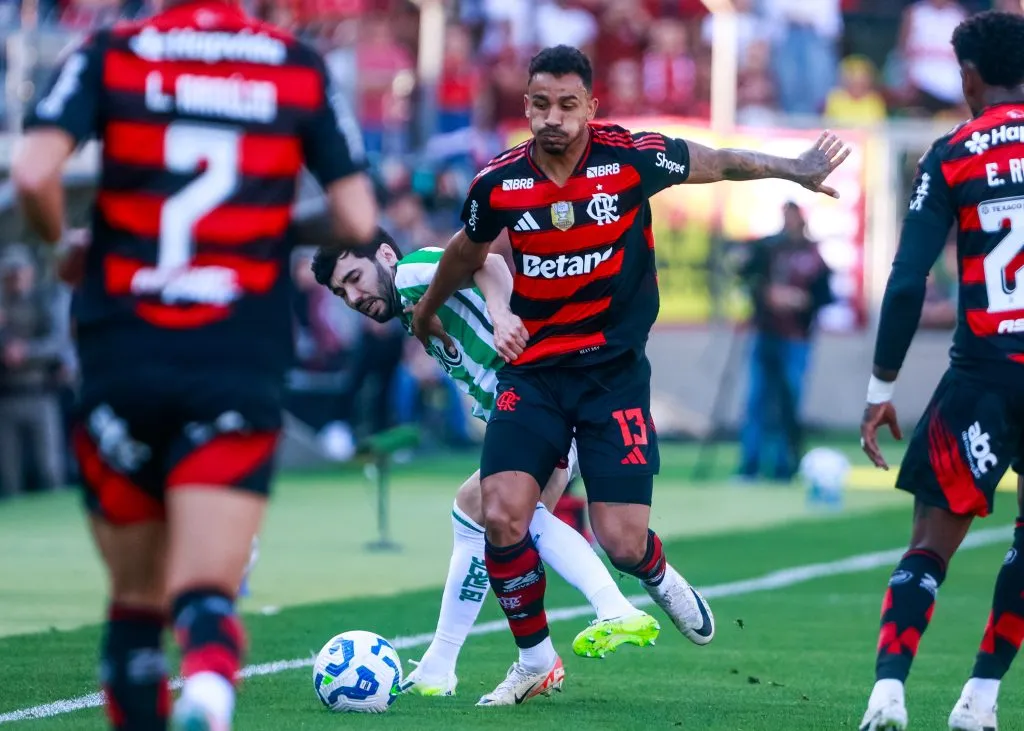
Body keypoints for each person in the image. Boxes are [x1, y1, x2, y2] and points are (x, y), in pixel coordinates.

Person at [409, 44, 850, 707]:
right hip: (532, 374)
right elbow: (466, 251)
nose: (551, 118)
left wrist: (795, 169)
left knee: (618, 537)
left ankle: (657, 573)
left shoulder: (630, 158)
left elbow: (720, 162)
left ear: (590, 106)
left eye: (565, 104)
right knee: (500, 511)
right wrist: (424, 313)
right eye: (539, 104)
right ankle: (534, 657)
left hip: (613, 375)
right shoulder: (498, 181)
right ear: (525, 105)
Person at [11, 1, 378, 729]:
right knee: (208, 588)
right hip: (235, 350)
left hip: (124, 346)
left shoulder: (108, 51)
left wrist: (63, 247)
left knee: (135, 602)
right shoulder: (295, 66)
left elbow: (31, 174)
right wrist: (267, 224)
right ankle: (209, 690)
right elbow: (359, 221)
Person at [311, 228, 659, 697]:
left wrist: (499, 311)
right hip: (531, 404)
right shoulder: (410, 302)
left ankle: (608, 609)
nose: (353, 297)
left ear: (386, 255)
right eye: (340, 292)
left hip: (540, 399)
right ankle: (447, 662)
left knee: (511, 516)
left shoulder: (414, 272)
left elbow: (488, 262)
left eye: (354, 278)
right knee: (478, 512)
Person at [858, 11, 1024, 731]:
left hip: (982, 376)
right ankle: (980, 700)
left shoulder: (955, 151)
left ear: (967, 76)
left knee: (929, 544)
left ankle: (887, 694)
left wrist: (881, 389)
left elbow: (904, 283)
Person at [737, 201, 834, 482]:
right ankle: (750, 464)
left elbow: (825, 295)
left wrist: (803, 301)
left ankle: (783, 465)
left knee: (788, 401)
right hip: (765, 333)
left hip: (797, 338)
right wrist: (766, 294)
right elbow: (746, 275)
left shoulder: (813, 255)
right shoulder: (768, 248)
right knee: (757, 399)